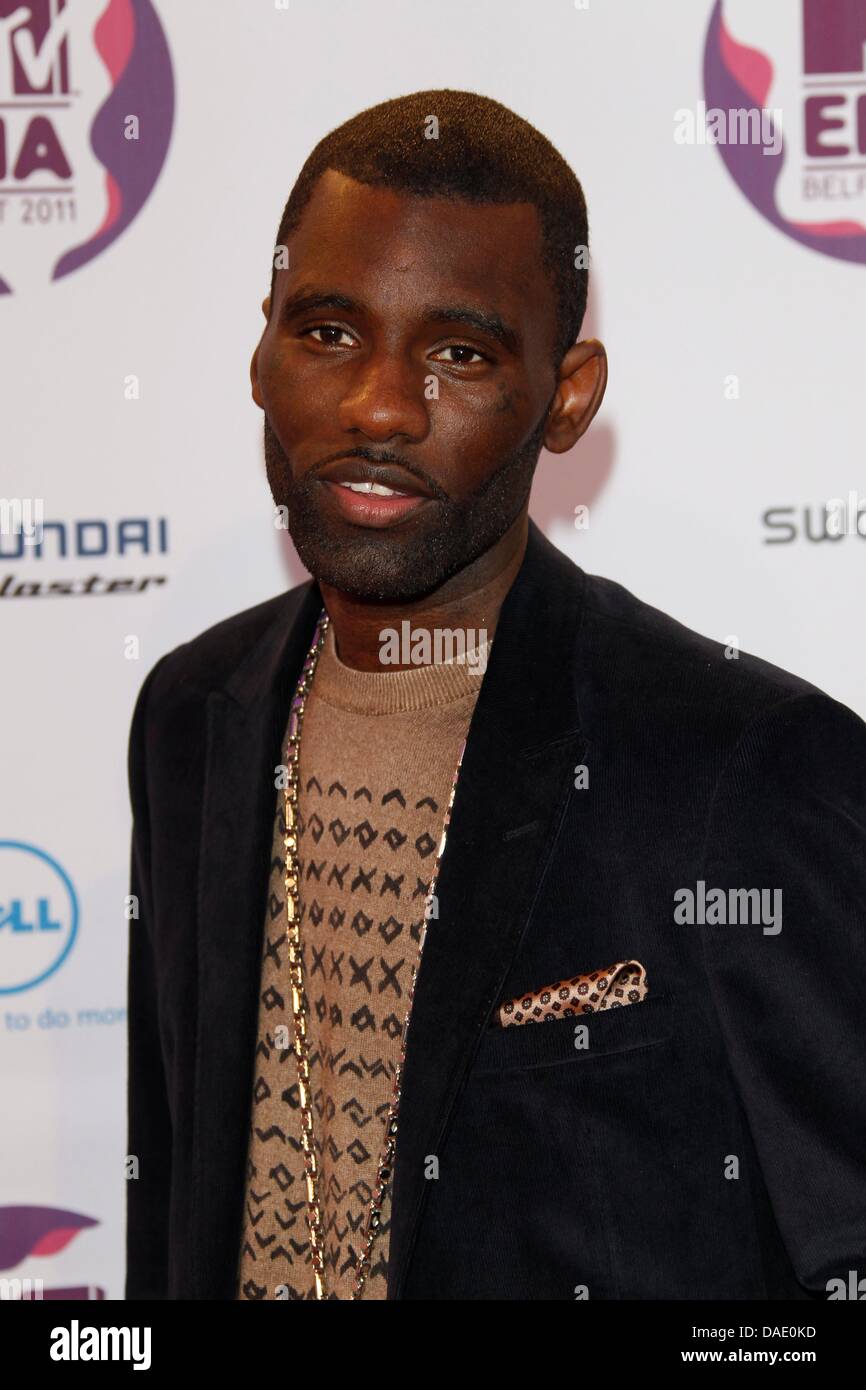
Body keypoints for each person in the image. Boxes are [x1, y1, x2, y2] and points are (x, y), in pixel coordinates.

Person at [125, 89, 866, 1301]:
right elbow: (173, 1196)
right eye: (327, 331)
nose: (377, 405)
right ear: (259, 348)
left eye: (457, 353)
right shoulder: (191, 714)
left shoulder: (737, 765)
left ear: (566, 394)